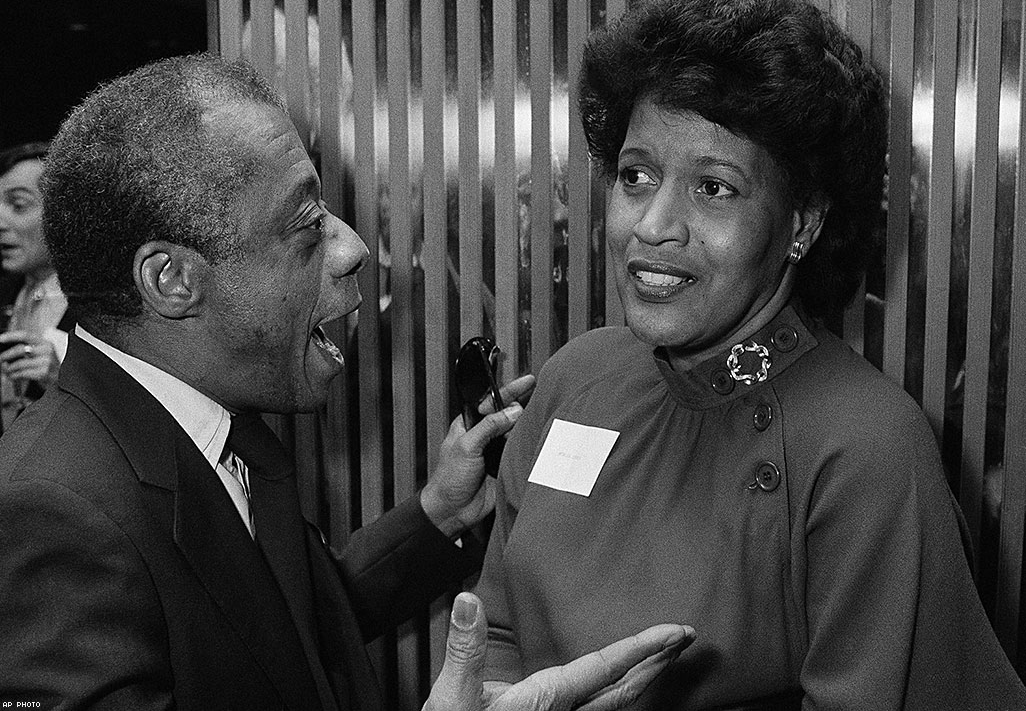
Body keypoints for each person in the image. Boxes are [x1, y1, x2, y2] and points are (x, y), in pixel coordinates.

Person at [0, 53, 693, 710]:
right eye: (306, 225)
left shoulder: (209, 426)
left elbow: (282, 630)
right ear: (171, 279)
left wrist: (437, 514)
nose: (353, 247)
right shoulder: (54, 519)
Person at [474, 0, 1026, 709]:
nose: (653, 225)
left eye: (715, 189)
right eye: (636, 176)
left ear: (802, 224)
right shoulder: (577, 380)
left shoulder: (866, 449)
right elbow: (497, 633)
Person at [0, 141, 71, 431]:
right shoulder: (7, 292)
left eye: (18, 205)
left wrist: (64, 378)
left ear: (64, 213)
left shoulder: (105, 308)